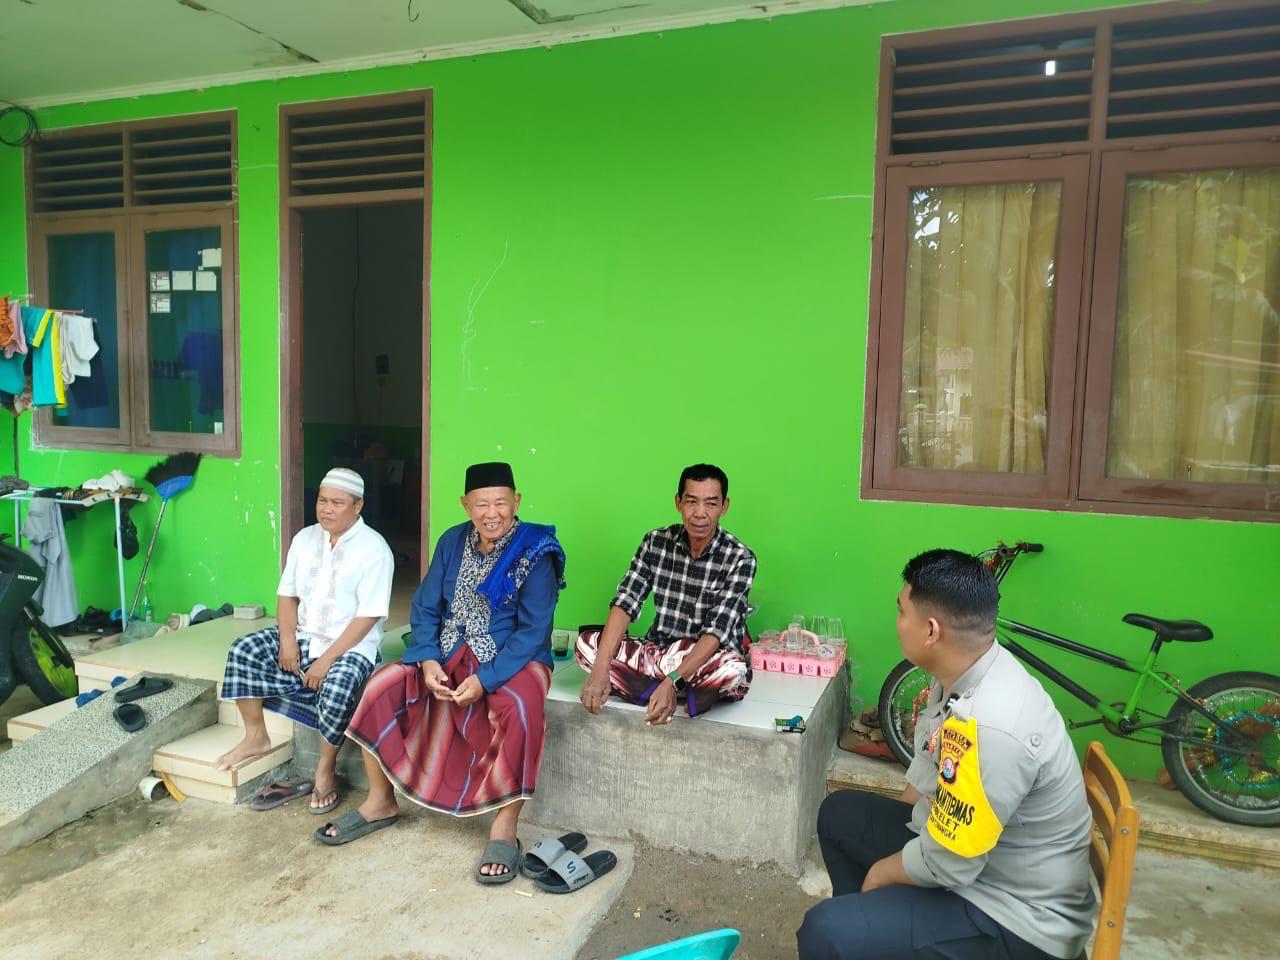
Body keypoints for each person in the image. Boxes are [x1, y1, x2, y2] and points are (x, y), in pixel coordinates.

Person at [797, 549, 1096, 960]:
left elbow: (952, 861)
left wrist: (882, 874)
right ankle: (867, 938)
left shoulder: (991, 724)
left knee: (825, 931)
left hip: (1017, 919)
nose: (897, 621)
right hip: (981, 865)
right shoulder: (964, 673)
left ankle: (853, 935)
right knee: (841, 814)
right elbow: (928, 774)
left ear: (931, 631)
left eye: (902, 611)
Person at [320, 462, 566, 885]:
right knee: (378, 686)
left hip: (515, 657)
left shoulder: (535, 550)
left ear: (517, 501)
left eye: (501, 503)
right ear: (466, 505)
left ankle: (505, 828)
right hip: (449, 651)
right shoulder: (452, 540)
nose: (492, 513)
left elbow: (533, 631)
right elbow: (426, 605)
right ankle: (380, 801)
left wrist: (485, 680)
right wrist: (428, 659)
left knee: (523, 707)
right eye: (482, 504)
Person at [217, 467, 393, 815]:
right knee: (244, 650)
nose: (326, 509)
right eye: (322, 500)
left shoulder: (375, 550)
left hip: (352, 645)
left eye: (337, 503)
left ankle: (325, 768)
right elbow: (287, 595)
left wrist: (326, 661)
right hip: (304, 634)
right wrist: (287, 640)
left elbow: (368, 616)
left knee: (339, 688)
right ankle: (256, 736)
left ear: (358, 506)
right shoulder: (304, 539)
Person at [577, 463, 756, 724]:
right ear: (678, 502)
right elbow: (625, 603)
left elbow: (717, 632)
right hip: (659, 654)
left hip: (704, 659)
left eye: (711, 504)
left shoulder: (740, 558)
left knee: (733, 670)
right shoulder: (655, 542)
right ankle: (679, 692)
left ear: (724, 506)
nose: (700, 513)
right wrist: (600, 669)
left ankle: (659, 687)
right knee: (585, 645)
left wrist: (673, 681)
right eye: (691, 502)